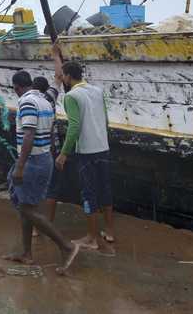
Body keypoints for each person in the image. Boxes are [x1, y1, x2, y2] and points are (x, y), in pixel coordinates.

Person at [4, 70, 79, 275]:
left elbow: (29, 134)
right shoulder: (45, 100)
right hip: (44, 157)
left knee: (27, 209)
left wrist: (20, 166)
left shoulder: (27, 102)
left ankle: (66, 246)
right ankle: (27, 253)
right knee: (25, 206)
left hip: (33, 161)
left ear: (17, 88)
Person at [55, 53, 115, 255]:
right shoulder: (97, 91)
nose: (61, 79)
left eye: (62, 75)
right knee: (105, 188)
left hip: (86, 151)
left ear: (69, 76)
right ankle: (109, 231)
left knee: (88, 193)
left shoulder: (71, 96)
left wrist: (64, 153)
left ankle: (91, 238)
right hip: (103, 147)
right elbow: (105, 120)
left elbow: (73, 127)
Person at [31, 75, 62, 237]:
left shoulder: (31, 103)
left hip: (38, 151)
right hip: (54, 149)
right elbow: (58, 79)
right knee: (52, 189)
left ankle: (37, 227)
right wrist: (57, 56)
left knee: (37, 189)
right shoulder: (50, 98)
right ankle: (48, 225)